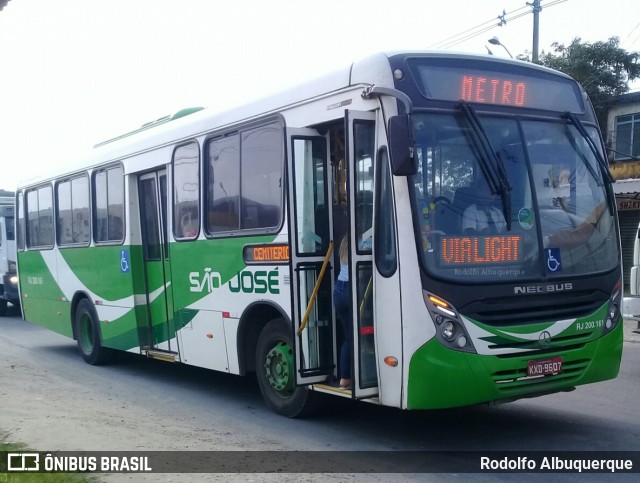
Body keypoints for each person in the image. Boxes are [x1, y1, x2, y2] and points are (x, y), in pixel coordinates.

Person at [333, 235, 352, 389]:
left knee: (349, 337)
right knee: (357, 337)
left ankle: (345, 379)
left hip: (338, 290)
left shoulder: (344, 242)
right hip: (352, 290)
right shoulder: (364, 240)